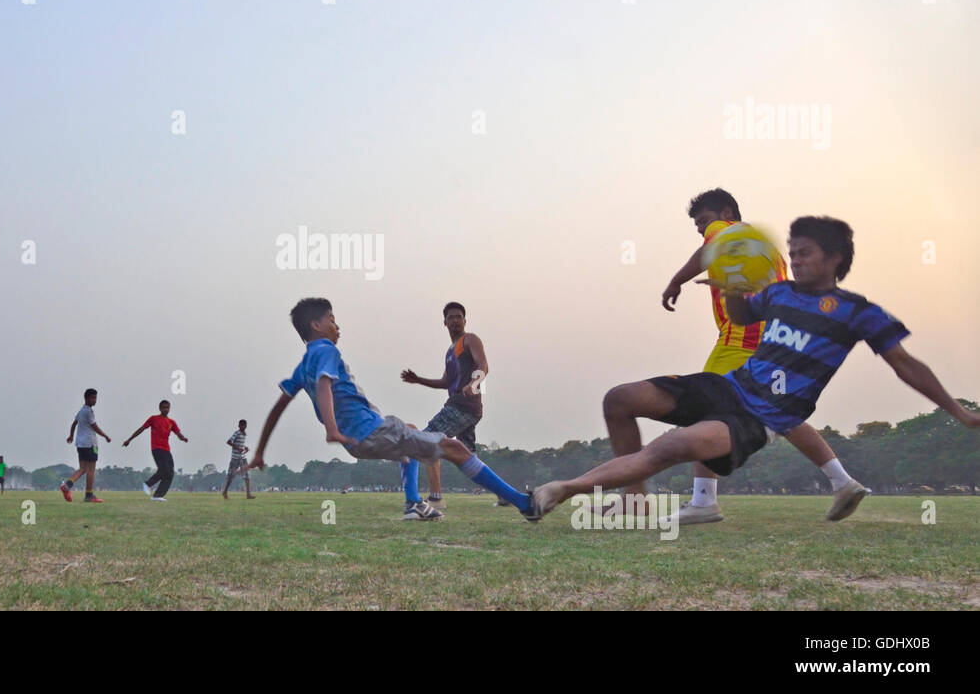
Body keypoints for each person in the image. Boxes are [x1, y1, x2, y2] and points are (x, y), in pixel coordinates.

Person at [532, 216, 980, 518]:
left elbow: (906, 365)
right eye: (793, 251)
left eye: (804, 252)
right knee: (620, 397)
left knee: (673, 446)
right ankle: (633, 500)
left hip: (763, 416)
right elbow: (744, 316)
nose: (796, 259)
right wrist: (729, 286)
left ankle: (564, 488)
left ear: (835, 259)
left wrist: (958, 411)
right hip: (729, 385)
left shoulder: (856, 312)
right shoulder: (780, 293)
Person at [653, 189, 867, 523]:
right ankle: (843, 481)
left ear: (725, 213)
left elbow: (708, 247)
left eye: (704, 222)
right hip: (774, 337)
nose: (702, 230)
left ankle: (703, 501)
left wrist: (675, 281)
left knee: (701, 407)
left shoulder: (728, 231)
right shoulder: (765, 248)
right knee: (778, 412)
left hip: (739, 339)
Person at [248, 298, 540, 522]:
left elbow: (280, 404)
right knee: (454, 449)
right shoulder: (326, 350)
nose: (338, 327)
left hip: (359, 443)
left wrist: (260, 450)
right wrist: (331, 428)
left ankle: (414, 501)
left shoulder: (303, 364)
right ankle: (523, 503)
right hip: (372, 430)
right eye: (333, 321)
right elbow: (325, 384)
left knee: (413, 435)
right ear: (317, 326)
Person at [401, 301, 488, 511]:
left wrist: (473, 384)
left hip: (462, 406)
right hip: (467, 409)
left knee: (427, 441)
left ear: (465, 320)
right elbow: (445, 382)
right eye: (451, 317)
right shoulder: (450, 351)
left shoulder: (470, 340)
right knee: (468, 458)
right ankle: (506, 495)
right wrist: (418, 379)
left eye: (459, 316)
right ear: (445, 323)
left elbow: (483, 365)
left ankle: (435, 498)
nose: (455, 320)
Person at [125, 400, 187, 501]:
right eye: (163, 407)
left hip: (166, 449)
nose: (165, 410)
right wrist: (130, 439)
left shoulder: (171, 422)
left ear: (169, 408)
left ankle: (158, 495)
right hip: (157, 448)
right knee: (163, 470)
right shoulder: (153, 419)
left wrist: (183, 438)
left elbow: (178, 434)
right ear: (160, 408)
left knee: (170, 472)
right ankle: (148, 484)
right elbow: (142, 428)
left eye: (167, 408)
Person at [62, 389, 111, 502]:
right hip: (90, 443)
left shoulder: (81, 411)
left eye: (95, 398)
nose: (94, 400)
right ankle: (89, 496)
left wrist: (71, 436)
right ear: (86, 398)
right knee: (91, 470)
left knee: (83, 469)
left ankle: (66, 486)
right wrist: (105, 436)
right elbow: (94, 426)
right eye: (92, 398)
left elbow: (74, 424)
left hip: (80, 443)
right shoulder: (88, 411)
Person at [222, 419, 254, 500]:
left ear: (246, 426)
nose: (242, 427)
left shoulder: (244, 434)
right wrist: (238, 448)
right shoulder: (237, 433)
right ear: (239, 426)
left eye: (244, 425)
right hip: (235, 458)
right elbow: (229, 442)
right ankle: (225, 492)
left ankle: (248, 494)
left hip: (242, 458)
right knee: (231, 476)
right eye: (241, 425)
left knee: (247, 475)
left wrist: (245, 448)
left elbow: (241, 444)